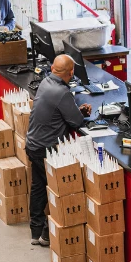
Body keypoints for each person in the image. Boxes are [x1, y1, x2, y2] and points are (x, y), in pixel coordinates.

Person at [27, 55, 93, 246]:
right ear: (71, 72)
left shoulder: (46, 82)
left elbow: (59, 113)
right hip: (47, 148)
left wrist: (73, 110)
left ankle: (35, 231)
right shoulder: (62, 92)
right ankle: (48, 235)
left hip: (33, 144)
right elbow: (77, 122)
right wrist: (80, 113)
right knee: (60, 191)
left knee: (38, 187)